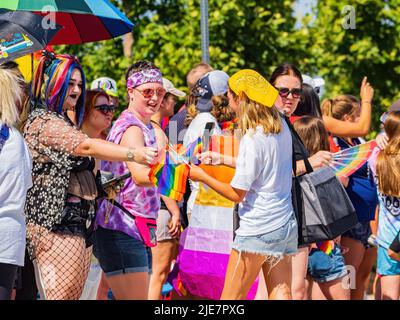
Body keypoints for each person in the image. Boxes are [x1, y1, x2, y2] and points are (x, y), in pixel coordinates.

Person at [24, 53, 157, 300]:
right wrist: (133, 153)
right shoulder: (43, 120)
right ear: (53, 84)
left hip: (81, 225)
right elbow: (84, 147)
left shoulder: (62, 120)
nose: (76, 89)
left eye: (79, 84)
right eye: (69, 84)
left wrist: (104, 187)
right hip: (56, 224)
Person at [190, 69, 297, 300]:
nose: (228, 101)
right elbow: (265, 166)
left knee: (230, 299)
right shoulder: (280, 125)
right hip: (284, 223)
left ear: (241, 98)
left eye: (230, 96)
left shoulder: (252, 137)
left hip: (257, 227)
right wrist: (223, 160)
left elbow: (236, 193)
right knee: (281, 291)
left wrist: (202, 176)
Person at [93, 60, 167, 300]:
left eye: (160, 91)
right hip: (121, 227)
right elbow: (141, 176)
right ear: (130, 92)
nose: (155, 98)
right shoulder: (132, 129)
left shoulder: (147, 126)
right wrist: (180, 171)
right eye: (147, 91)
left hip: (136, 227)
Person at [269, 63, 332, 300]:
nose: (291, 97)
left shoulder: (285, 123)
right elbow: (270, 172)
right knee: (286, 290)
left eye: (296, 92)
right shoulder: (271, 124)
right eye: (283, 91)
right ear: (269, 89)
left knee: (289, 289)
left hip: (291, 216)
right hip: (274, 219)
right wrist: (310, 163)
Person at [321, 94, 378, 300]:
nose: (361, 120)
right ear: (346, 119)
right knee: (349, 275)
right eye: (357, 116)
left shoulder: (358, 141)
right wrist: (367, 100)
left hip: (366, 218)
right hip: (351, 218)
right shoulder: (335, 142)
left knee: (359, 276)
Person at [293, 116, 350, 300]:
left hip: (295, 245)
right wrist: (338, 242)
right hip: (325, 246)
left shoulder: (290, 173)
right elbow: (335, 211)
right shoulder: (327, 174)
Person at [148, 78, 185, 300]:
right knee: (158, 274)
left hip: (157, 210)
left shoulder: (154, 129)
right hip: (162, 210)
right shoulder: (157, 132)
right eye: (171, 98)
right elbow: (159, 176)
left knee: (156, 274)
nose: (173, 103)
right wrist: (175, 211)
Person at [0, 62, 32, 300]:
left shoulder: (13, 136)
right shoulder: (12, 137)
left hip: (9, 241)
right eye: (22, 86)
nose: (26, 93)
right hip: (8, 239)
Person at [370, 111, 400, 300]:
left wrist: (379, 139)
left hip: (387, 239)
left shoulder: (376, 159)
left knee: (389, 295)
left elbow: (376, 144)